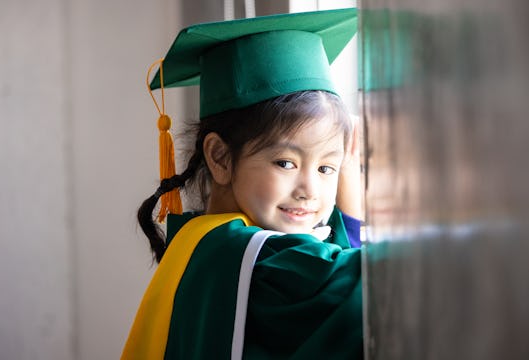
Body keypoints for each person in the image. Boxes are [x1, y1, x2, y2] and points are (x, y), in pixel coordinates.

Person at [122, 8, 363, 360]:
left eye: (328, 169)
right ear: (219, 158)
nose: (310, 189)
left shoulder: (200, 238)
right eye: (285, 163)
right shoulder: (261, 261)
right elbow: (366, 290)